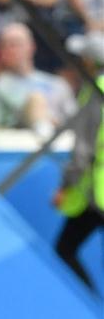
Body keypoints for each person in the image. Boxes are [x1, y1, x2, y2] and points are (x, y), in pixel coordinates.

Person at [53, 31, 104, 293]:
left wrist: (65, 185)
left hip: (96, 192)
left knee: (64, 248)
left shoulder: (94, 91)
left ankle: (93, 306)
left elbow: (83, 148)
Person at [0, 22, 77, 134]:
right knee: (35, 99)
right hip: (21, 143)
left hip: (62, 141)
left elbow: (76, 122)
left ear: (31, 47)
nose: (11, 49)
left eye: (16, 44)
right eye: (5, 45)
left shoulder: (57, 83)